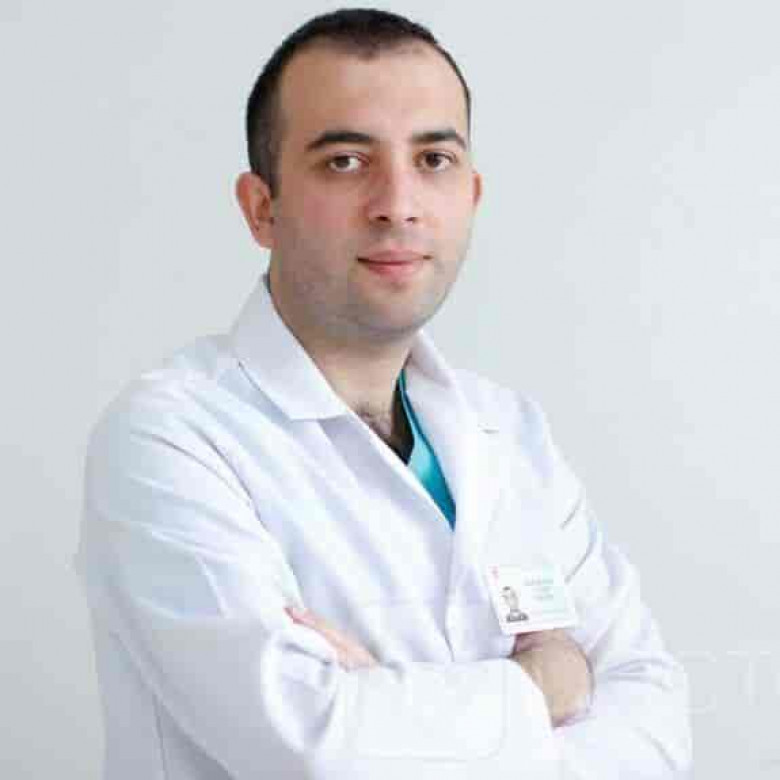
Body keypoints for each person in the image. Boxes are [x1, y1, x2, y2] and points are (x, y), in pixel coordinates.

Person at [75, 8, 692, 779]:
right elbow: (313, 748)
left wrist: (390, 714)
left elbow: (656, 727)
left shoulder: (511, 433)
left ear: (471, 193)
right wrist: (544, 685)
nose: (398, 203)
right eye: (344, 161)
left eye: (433, 159)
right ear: (262, 208)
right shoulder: (169, 439)